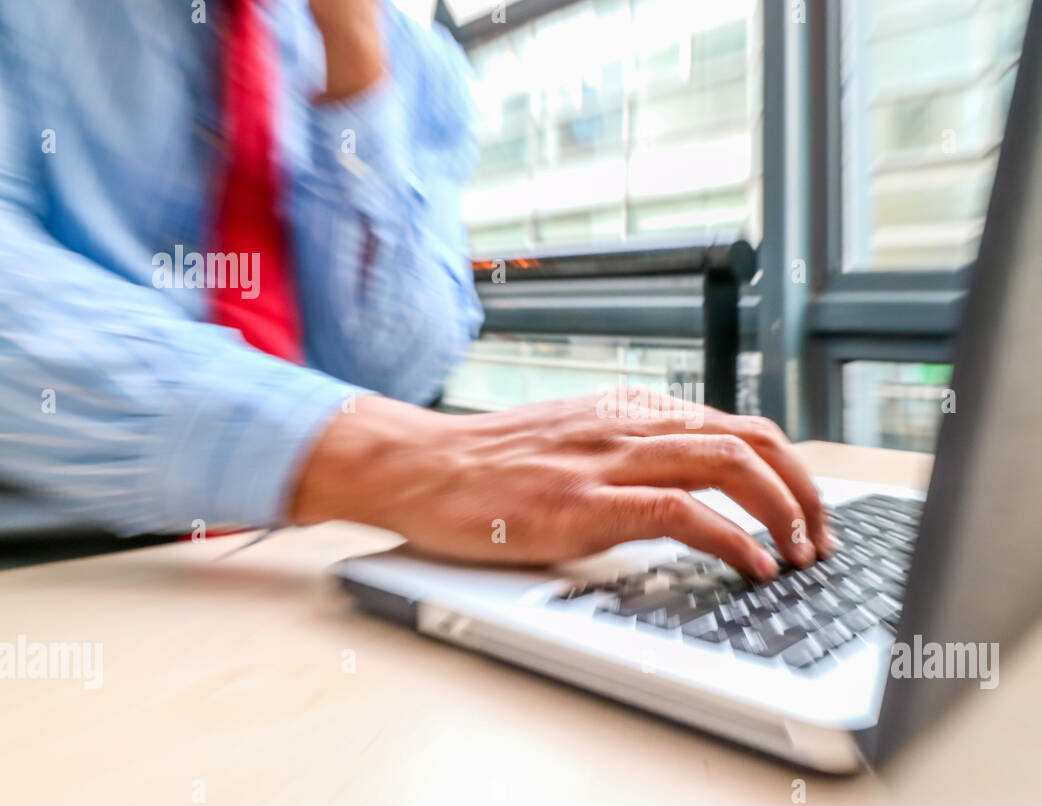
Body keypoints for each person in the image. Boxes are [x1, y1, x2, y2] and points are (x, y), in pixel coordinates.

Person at [0, 0, 829, 580]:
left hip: (313, 545)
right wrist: (390, 458)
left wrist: (353, 54)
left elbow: (396, 363)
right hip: (64, 558)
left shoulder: (421, 63)